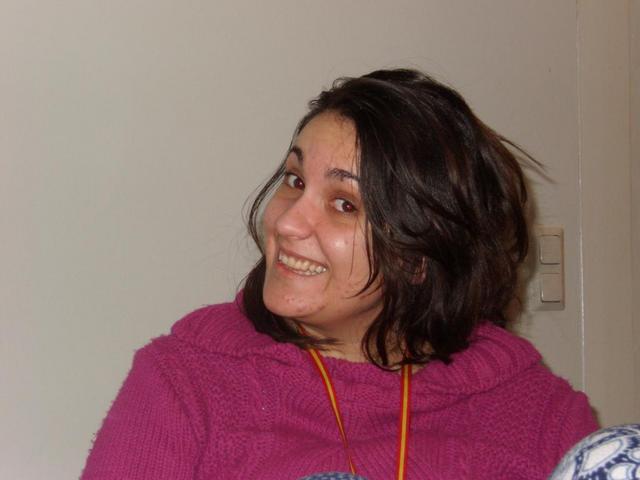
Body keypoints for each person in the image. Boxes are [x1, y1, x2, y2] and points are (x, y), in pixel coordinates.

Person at [81, 69, 598, 480]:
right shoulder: (184, 382)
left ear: (419, 257)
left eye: (344, 204)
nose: (286, 222)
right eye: (294, 180)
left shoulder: (541, 416)